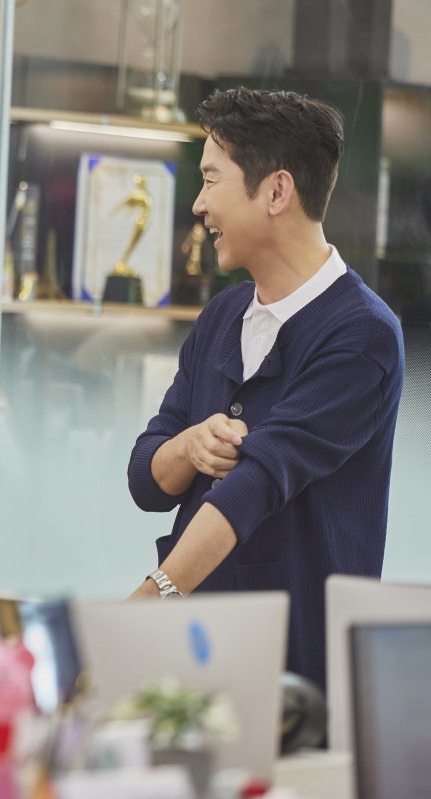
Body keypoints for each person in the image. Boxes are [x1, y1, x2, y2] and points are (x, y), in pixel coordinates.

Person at [127, 87, 404, 690]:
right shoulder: (222, 316)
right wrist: (190, 444)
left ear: (277, 191)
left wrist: (148, 602)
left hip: (298, 676)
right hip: (196, 662)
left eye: (211, 179)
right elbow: (146, 480)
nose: (199, 203)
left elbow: (256, 482)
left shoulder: (363, 336)